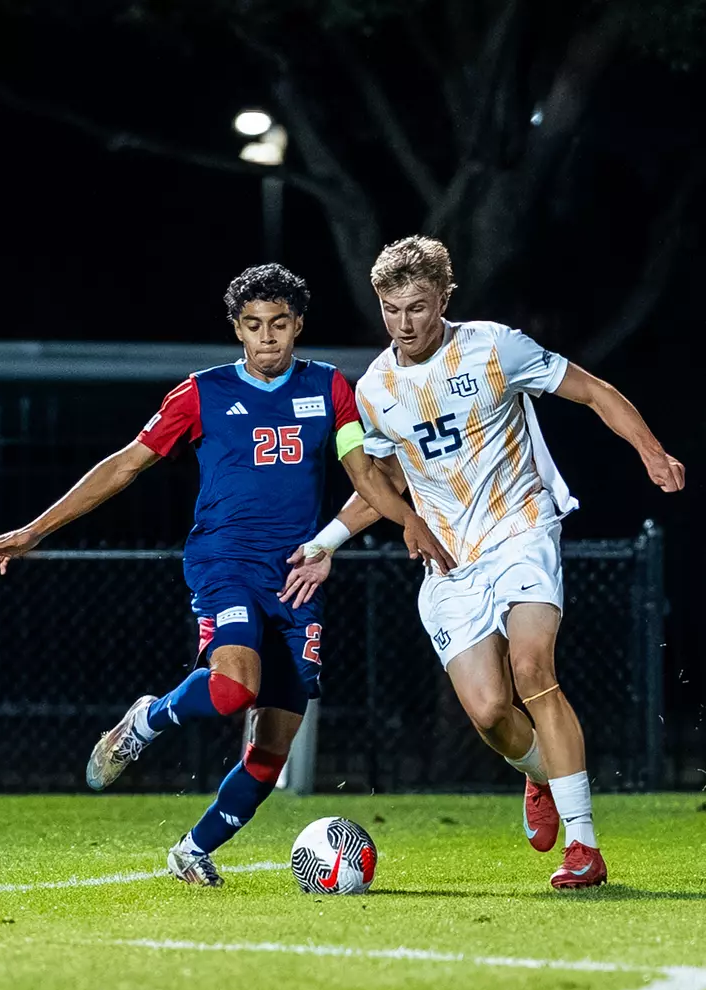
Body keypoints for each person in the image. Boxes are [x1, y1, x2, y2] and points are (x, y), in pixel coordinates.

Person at [0, 263, 452, 888]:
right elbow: (124, 467)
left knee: (272, 749)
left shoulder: (333, 389)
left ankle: (193, 849)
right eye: (254, 326)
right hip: (224, 563)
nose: (268, 338)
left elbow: (363, 471)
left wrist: (405, 520)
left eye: (279, 324)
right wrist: (35, 530)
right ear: (237, 330)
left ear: (298, 325)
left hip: (296, 575)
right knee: (232, 689)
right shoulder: (200, 393)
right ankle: (147, 719)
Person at [281, 236, 685, 890]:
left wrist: (651, 451)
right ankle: (538, 777)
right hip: (451, 563)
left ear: (444, 298)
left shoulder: (497, 347)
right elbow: (379, 484)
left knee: (532, 668)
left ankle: (584, 848)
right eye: (390, 309)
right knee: (492, 713)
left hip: (521, 528)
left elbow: (594, 391)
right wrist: (326, 543)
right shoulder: (377, 389)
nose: (403, 324)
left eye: (416, 307)